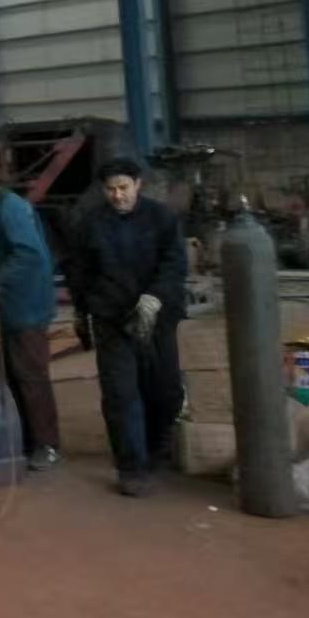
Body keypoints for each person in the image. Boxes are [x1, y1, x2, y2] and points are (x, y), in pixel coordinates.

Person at [67, 156, 187, 496]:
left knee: (165, 390)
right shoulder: (91, 223)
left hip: (157, 318)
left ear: (138, 185)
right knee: (121, 394)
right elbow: (79, 271)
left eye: (123, 188)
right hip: (112, 320)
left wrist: (156, 296)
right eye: (111, 189)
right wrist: (82, 311)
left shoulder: (161, 218)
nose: (117, 195)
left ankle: (155, 447)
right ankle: (131, 467)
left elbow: (175, 264)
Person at [0, 156, 61, 471]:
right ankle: (26, 440)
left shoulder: (12, 209)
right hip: (9, 306)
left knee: (31, 376)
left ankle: (47, 445)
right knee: (15, 377)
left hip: (28, 306)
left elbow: (28, 253)